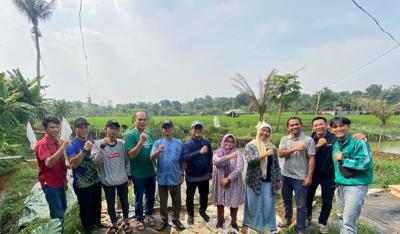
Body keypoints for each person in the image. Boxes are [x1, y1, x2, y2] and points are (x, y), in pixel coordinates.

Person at [306, 117, 367, 233]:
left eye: (321, 124)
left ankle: (322, 222)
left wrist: (363, 137)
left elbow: (349, 139)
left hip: (330, 175)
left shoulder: (335, 138)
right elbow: (305, 153)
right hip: (312, 174)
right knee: (308, 197)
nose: (318, 127)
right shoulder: (310, 139)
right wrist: (318, 145)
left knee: (327, 200)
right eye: (316, 125)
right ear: (313, 127)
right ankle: (308, 217)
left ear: (326, 126)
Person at [330, 117, 373, 234]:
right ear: (331, 129)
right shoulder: (336, 144)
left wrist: (344, 160)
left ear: (348, 126)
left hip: (355, 186)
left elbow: (366, 163)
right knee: (341, 217)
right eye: (335, 127)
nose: (338, 129)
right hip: (340, 185)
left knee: (349, 222)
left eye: (341, 126)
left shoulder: (359, 141)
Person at [92, 120, 132, 234]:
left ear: (118, 131)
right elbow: (96, 162)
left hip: (122, 179)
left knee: (125, 202)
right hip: (107, 181)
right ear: (106, 129)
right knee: (110, 204)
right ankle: (114, 223)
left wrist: (129, 176)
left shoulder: (122, 144)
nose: (113, 130)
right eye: (110, 128)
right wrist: (103, 146)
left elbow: (127, 161)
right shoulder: (98, 144)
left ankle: (126, 221)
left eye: (115, 128)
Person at [278, 117, 316, 234]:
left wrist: (309, 176)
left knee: (301, 204)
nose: (294, 127)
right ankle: (287, 219)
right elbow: (280, 154)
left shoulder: (308, 140)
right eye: (291, 125)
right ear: (288, 127)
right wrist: (295, 148)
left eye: (296, 124)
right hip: (285, 175)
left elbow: (312, 158)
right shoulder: (285, 139)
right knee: (286, 200)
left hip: (300, 177)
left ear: (301, 125)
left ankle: (300, 228)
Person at [242, 122, 281, 234]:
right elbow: (250, 160)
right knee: (254, 204)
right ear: (258, 132)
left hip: (269, 181)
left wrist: (278, 179)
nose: (265, 133)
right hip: (254, 182)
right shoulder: (251, 145)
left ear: (270, 133)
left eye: (267, 131)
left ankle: (268, 225)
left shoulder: (272, 147)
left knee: (268, 205)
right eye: (262, 130)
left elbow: (277, 165)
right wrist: (264, 154)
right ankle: (254, 225)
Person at [65, 117, 102, 231]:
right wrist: (85, 149)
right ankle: (88, 227)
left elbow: (98, 159)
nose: (84, 130)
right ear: (74, 129)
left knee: (97, 204)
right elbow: (74, 164)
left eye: (85, 127)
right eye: (80, 128)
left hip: (96, 180)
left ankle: (97, 223)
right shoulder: (71, 145)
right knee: (86, 206)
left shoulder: (92, 142)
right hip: (82, 183)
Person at [35, 116, 69, 232]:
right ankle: (58, 231)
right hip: (50, 184)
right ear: (45, 128)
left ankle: (58, 230)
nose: (55, 129)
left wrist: (67, 166)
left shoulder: (55, 142)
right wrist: (62, 149)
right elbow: (49, 163)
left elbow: (58, 160)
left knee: (63, 208)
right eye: (52, 127)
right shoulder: (42, 144)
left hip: (60, 182)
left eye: (57, 127)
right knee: (57, 214)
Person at [150, 120, 186, 231]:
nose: (167, 129)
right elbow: (151, 158)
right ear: (162, 130)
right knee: (163, 201)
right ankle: (164, 220)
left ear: (173, 129)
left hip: (175, 176)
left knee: (177, 201)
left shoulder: (179, 143)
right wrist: (157, 152)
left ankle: (176, 219)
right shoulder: (157, 143)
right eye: (165, 128)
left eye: (169, 127)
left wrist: (182, 174)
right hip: (162, 177)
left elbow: (183, 160)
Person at [125, 111, 156, 231]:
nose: (142, 121)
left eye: (144, 119)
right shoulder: (130, 135)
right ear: (135, 120)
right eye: (139, 119)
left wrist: (156, 165)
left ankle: (149, 215)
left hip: (150, 172)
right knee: (138, 198)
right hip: (138, 173)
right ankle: (139, 218)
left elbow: (152, 151)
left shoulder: (149, 133)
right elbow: (131, 155)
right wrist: (141, 142)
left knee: (150, 196)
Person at [181, 120, 213, 225]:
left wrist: (211, 171)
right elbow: (185, 157)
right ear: (192, 130)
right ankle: (190, 214)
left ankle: (202, 210)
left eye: (200, 128)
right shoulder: (187, 144)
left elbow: (210, 158)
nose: (198, 130)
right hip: (191, 176)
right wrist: (199, 152)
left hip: (204, 175)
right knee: (189, 196)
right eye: (196, 128)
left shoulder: (207, 143)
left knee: (204, 195)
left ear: (202, 130)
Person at [212, 134, 244, 232]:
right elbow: (216, 162)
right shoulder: (218, 152)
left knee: (234, 203)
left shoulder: (238, 153)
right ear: (223, 141)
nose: (229, 143)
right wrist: (229, 157)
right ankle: (220, 220)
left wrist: (229, 178)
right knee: (220, 200)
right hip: (220, 180)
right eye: (227, 141)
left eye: (231, 142)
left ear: (234, 143)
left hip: (233, 181)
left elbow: (240, 168)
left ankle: (233, 222)